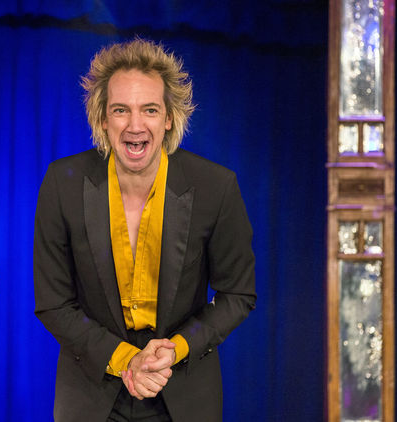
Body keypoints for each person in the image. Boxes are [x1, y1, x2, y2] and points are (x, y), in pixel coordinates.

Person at [34, 38, 256, 422]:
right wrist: (126, 360)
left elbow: (237, 294)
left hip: (182, 388)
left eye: (149, 110)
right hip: (92, 389)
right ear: (103, 118)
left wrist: (177, 348)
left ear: (169, 118)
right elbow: (54, 303)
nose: (135, 126)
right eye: (121, 110)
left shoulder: (216, 187)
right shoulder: (61, 183)